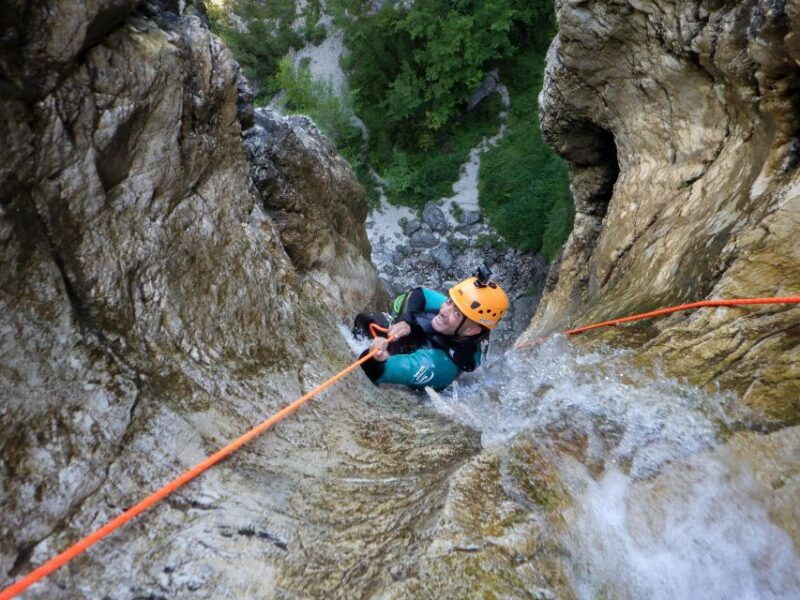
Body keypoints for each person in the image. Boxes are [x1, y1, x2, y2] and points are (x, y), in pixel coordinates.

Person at [352, 266, 510, 391]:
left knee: (372, 325)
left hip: (429, 364)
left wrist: (376, 356)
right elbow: (420, 294)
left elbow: (374, 372)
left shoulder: (439, 365)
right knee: (371, 320)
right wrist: (406, 321)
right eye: (449, 302)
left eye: (456, 313)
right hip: (432, 339)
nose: (443, 310)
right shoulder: (466, 319)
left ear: (471, 331)